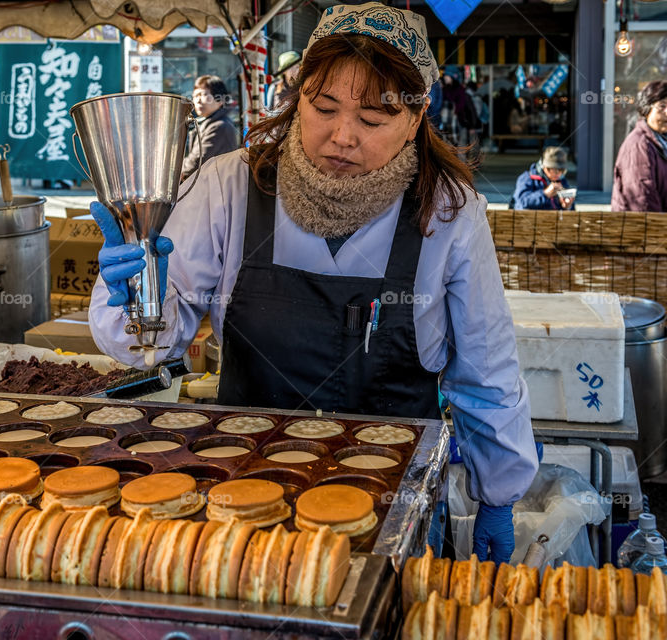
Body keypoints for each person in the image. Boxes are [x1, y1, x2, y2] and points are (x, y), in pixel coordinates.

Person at [89, 3, 537, 564]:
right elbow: (159, 342)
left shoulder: (447, 212)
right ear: (297, 97)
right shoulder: (232, 185)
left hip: (392, 515)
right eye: (323, 107)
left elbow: (485, 369)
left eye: (373, 120)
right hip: (245, 501)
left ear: (416, 120)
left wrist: (499, 492)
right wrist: (132, 294)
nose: (342, 136)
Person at [612, 81, 667, 212]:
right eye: (662, 106)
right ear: (646, 109)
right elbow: (642, 202)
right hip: (644, 229)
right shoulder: (639, 146)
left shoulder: (661, 141)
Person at [180, 75, 239, 181]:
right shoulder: (208, 123)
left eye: (203, 94)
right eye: (195, 95)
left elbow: (195, 164)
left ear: (220, 99)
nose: (197, 100)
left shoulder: (220, 126)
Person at [510, 147, 575, 210]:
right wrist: (545, 194)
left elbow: (570, 210)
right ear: (545, 168)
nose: (559, 174)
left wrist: (567, 206)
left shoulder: (562, 181)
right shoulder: (527, 178)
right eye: (555, 170)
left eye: (562, 170)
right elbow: (521, 202)